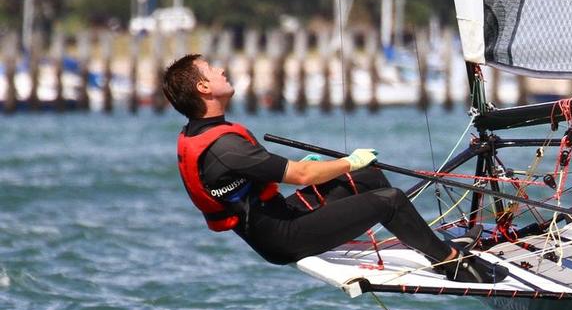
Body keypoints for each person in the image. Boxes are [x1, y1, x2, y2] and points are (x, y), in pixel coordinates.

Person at [163, 53, 505, 283]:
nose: (222, 70)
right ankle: (451, 263)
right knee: (390, 199)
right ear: (203, 88)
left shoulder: (204, 135)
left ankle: (419, 239)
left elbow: (254, 181)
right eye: (212, 69)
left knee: (367, 177)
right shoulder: (224, 146)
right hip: (283, 238)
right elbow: (301, 175)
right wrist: (346, 161)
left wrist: (347, 168)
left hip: (281, 214)